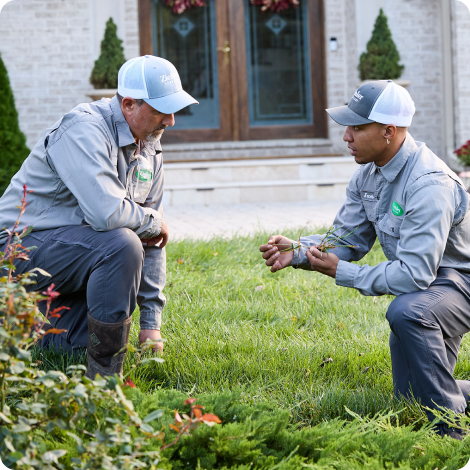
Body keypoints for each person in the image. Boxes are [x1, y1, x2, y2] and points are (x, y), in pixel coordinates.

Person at [260, 80, 470, 440]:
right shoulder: (368, 175)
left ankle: (449, 432)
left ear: (388, 132)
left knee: (407, 311)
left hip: (459, 284)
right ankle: (444, 399)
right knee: (411, 399)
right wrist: (297, 252)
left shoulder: (429, 185)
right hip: (429, 287)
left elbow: (414, 275)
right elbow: (348, 239)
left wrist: (345, 273)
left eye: (357, 127)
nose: (346, 136)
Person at [0, 55, 198, 379]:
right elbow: (107, 214)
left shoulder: (149, 148)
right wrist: (150, 222)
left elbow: (154, 240)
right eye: (163, 110)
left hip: (69, 257)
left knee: (73, 347)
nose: (172, 120)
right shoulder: (83, 129)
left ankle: (39, 333)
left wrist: (150, 325)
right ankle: (104, 380)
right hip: (15, 251)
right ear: (130, 104)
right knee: (121, 244)